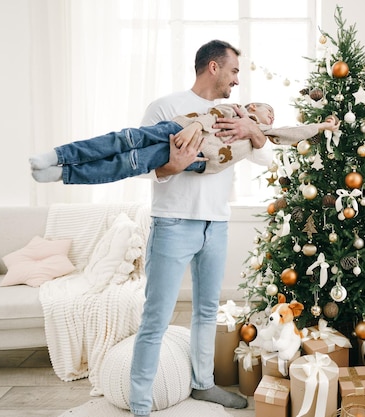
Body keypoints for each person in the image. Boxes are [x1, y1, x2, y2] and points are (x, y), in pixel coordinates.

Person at [128, 40, 271, 416]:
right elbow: (143, 164)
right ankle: (140, 403)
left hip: (217, 223)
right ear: (213, 67)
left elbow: (266, 159)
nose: (237, 80)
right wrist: (173, 165)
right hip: (173, 222)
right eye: (234, 71)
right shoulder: (165, 108)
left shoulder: (236, 112)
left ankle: (203, 384)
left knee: (207, 310)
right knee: (156, 315)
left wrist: (250, 130)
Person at [29, 103, 340, 184]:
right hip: (175, 130)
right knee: (122, 141)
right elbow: (210, 114)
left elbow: (293, 133)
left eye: (274, 116)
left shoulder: (264, 139)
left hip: (195, 159)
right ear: (253, 106)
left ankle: (62, 173)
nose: (271, 117)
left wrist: (324, 126)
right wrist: (196, 125)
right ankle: (57, 155)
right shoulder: (234, 109)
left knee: (128, 163)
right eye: (267, 110)